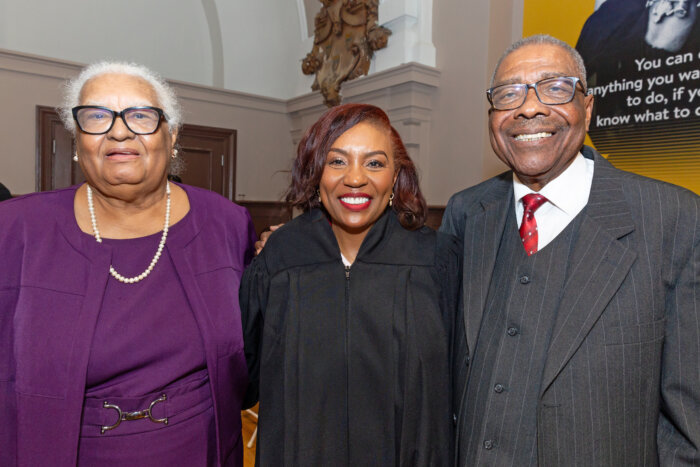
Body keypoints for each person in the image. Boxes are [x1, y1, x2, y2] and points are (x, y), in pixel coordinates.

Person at [442, 34, 699, 466]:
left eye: (555, 87)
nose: (529, 107)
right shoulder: (466, 213)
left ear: (588, 107)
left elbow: (690, 427)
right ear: (492, 116)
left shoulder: (674, 219)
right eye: (509, 94)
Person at [0, 62, 257, 466]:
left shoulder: (226, 223)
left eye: (140, 115)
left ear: (171, 137)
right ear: (77, 140)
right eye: (97, 117)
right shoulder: (16, 229)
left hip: (201, 450)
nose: (119, 131)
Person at [241, 103, 462, 465]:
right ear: (317, 173)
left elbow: (461, 384)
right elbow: (243, 375)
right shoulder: (282, 258)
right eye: (337, 161)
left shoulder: (436, 260)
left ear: (396, 176)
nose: (355, 178)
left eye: (374, 163)